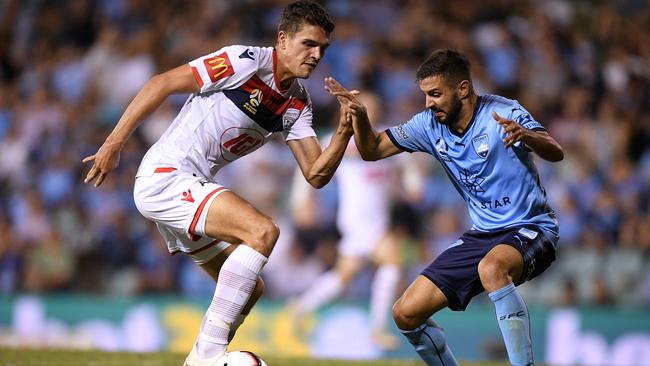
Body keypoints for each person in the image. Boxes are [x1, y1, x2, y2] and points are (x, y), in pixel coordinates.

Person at [82, 2, 352, 365]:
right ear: (283, 39)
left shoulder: (296, 104)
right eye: (308, 44)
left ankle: (198, 359)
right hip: (167, 175)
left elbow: (316, 174)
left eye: (323, 48)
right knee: (263, 232)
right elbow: (161, 83)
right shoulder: (244, 61)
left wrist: (344, 131)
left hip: (189, 186)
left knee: (250, 289)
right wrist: (113, 144)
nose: (316, 55)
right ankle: (208, 355)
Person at [326, 48, 564, 366]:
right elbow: (372, 151)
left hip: (533, 225)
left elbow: (556, 151)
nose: (429, 103)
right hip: (484, 234)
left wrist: (527, 136)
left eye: (436, 94)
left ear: (462, 88)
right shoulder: (428, 125)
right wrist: (361, 118)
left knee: (492, 268)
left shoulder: (503, 113)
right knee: (405, 313)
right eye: (425, 95)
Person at [290, 92, 403, 350]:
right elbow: (309, 166)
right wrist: (302, 201)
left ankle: (302, 305)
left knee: (343, 278)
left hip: (378, 217)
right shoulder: (339, 138)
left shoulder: (385, 136)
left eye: (373, 106)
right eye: (365, 107)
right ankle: (377, 328)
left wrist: (409, 184)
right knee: (392, 262)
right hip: (357, 219)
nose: (370, 111)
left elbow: (404, 166)